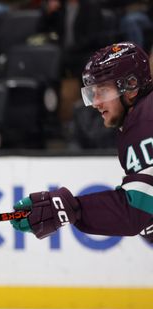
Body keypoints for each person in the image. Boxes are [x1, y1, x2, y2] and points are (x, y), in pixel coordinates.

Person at [11, 43, 153, 243]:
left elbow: (135, 212)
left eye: (102, 91)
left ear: (130, 87)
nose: (95, 102)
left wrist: (70, 208)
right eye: (92, 93)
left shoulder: (144, 123)